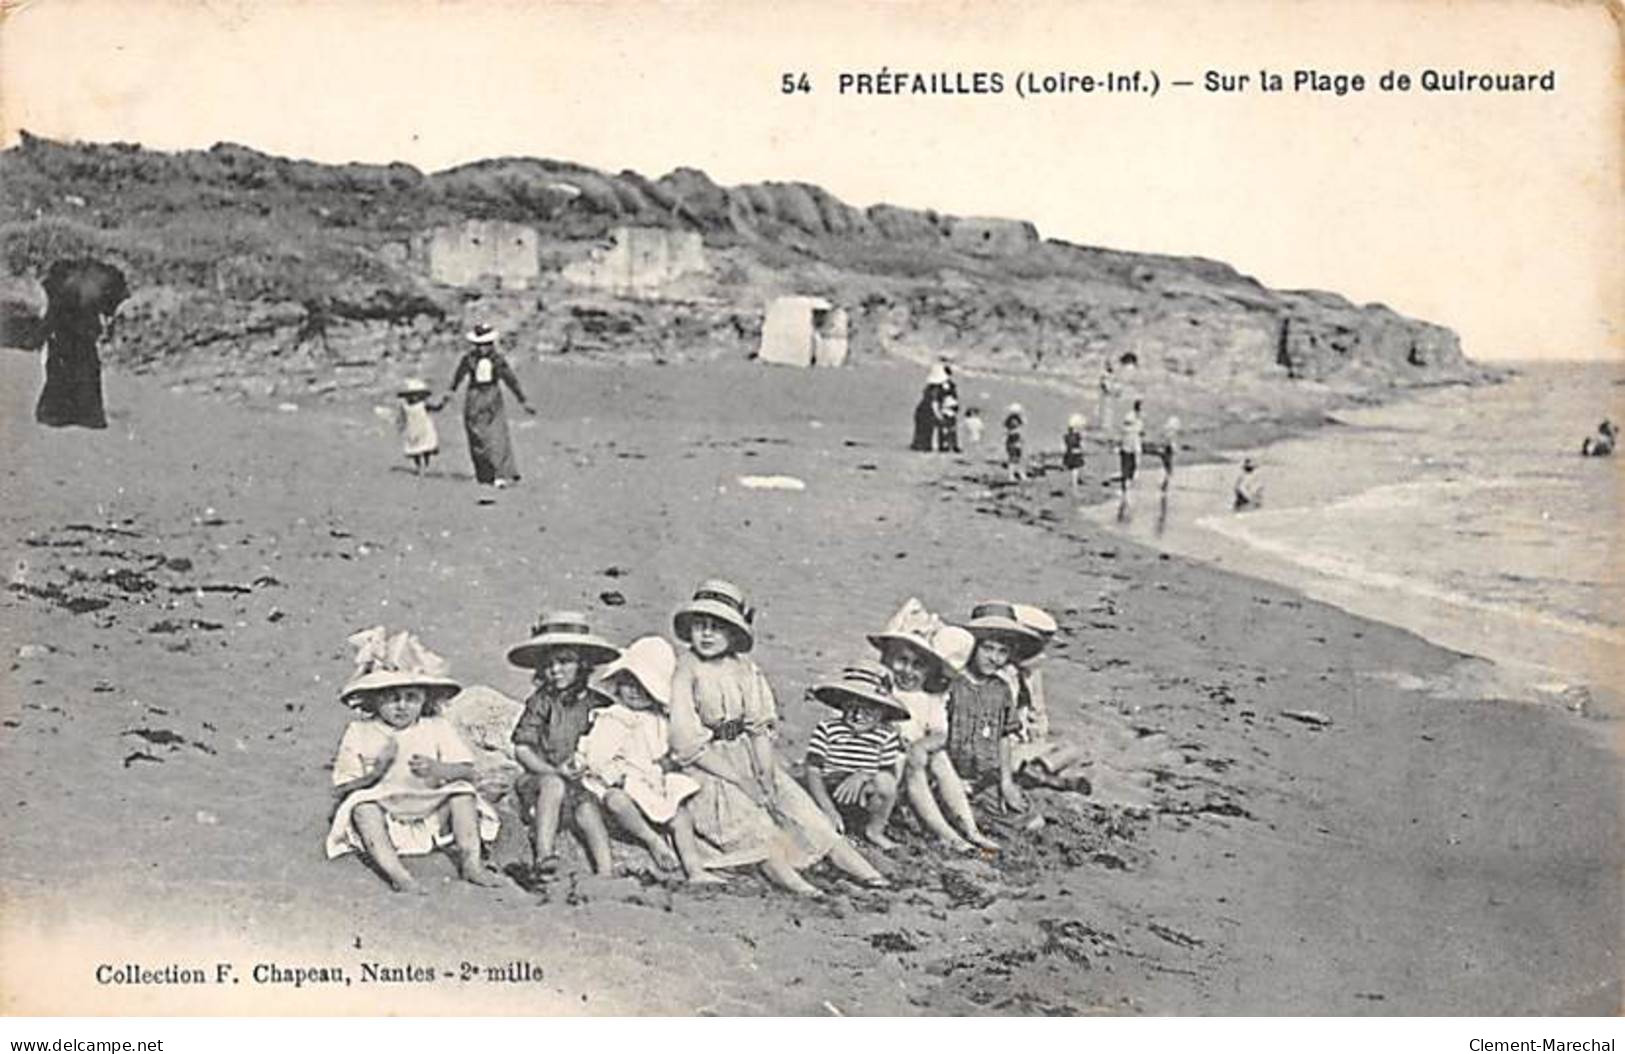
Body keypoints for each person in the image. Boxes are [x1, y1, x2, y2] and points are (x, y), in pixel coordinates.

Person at [666, 579, 889, 895]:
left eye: (717, 628)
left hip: (746, 753)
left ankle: (869, 876)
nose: (706, 634)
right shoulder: (686, 668)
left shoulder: (745, 668)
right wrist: (741, 781)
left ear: (734, 633)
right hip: (708, 764)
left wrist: (766, 774)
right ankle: (802, 888)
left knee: (800, 811)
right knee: (754, 828)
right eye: (700, 626)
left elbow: (759, 727)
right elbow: (685, 741)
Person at [325, 627, 502, 893]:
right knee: (363, 807)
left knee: (463, 794)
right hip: (386, 810)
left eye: (412, 698)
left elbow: (467, 770)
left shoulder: (435, 726)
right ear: (374, 701)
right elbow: (341, 789)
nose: (402, 706)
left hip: (430, 808)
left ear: (425, 700)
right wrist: (376, 774)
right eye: (391, 698)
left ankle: (471, 863)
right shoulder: (360, 731)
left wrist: (438, 768)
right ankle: (399, 875)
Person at [574, 636, 721, 883]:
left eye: (642, 686)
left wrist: (666, 762)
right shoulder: (614, 717)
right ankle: (651, 840)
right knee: (617, 801)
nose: (633, 691)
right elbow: (597, 758)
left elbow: (671, 746)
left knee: (680, 812)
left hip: (650, 780)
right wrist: (616, 776)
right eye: (627, 683)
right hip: (617, 780)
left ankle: (694, 868)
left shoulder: (658, 720)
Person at [868, 599, 998, 852]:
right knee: (913, 763)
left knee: (938, 756)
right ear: (887, 658)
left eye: (918, 666)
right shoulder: (880, 691)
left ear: (929, 672)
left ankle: (970, 828)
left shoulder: (928, 699)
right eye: (901, 661)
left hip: (916, 762)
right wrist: (909, 749)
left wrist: (921, 746)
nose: (908, 671)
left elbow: (940, 734)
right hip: (882, 763)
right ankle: (948, 834)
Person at [507, 611, 618, 876]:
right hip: (541, 778)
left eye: (565, 662)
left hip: (583, 782)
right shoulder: (542, 701)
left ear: (583, 664)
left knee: (587, 809)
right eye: (548, 664)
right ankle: (544, 853)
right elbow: (522, 747)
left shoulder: (600, 705)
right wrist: (551, 770)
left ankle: (606, 872)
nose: (555, 670)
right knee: (554, 785)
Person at [946, 602, 1042, 818]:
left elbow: (1004, 736)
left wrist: (1006, 782)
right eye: (987, 648)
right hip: (950, 774)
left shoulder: (1002, 690)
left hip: (985, 777)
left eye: (1002, 652)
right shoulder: (953, 683)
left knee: (1030, 820)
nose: (994, 658)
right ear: (972, 647)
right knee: (960, 814)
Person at [803, 662, 909, 850]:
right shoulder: (828, 728)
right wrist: (828, 807)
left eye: (868, 709)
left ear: (883, 711)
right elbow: (813, 770)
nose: (858, 716)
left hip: (863, 792)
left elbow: (888, 775)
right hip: (829, 789)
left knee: (885, 783)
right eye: (851, 707)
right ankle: (834, 825)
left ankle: (873, 830)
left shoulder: (886, 736)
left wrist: (862, 775)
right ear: (842, 704)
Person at [35, 258, 130, 430]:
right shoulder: (97, 280)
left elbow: (51, 313)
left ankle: (58, 413)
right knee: (85, 371)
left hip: (65, 334)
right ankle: (85, 415)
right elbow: (108, 308)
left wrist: (44, 333)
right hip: (83, 334)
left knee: (61, 371)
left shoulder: (62, 280)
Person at [1007, 603, 1092, 795]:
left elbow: (1038, 711)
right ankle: (1046, 778)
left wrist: (1037, 743)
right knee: (1070, 752)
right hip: (1003, 749)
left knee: (1073, 749)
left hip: (1022, 746)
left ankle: (1037, 771)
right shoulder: (1003, 673)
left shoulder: (1031, 670)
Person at [447, 323, 536, 488]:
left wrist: (522, 400)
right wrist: (450, 393)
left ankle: (501, 473)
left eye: (486, 345)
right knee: (476, 435)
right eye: (480, 345)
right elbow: (458, 376)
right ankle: (484, 473)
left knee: (496, 436)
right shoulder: (469, 359)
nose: (483, 348)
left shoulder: (498, 360)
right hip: (474, 396)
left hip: (492, 396)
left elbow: (510, 379)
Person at [394, 379, 442, 475]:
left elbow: (436, 408)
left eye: (417, 395)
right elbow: (401, 417)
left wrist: (443, 402)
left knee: (426, 448)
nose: (414, 397)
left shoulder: (424, 404)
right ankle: (419, 466)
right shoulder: (405, 406)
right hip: (412, 430)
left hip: (425, 429)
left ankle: (426, 465)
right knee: (415, 450)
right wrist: (400, 425)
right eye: (412, 395)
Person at [911, 363, 948, 452]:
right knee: (927, 431)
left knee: (922, 431)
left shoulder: (928, 389)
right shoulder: (935, 390)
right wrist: (939, 416)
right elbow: (934, 404)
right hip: (927, 413)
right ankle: (924, 446)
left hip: (921, 411)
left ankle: (919, 445)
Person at [1118, 399, 1145, 495]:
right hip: (1127, 444)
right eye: (1141, 406)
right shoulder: (1130, 416)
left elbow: (1140, 430)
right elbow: (1126, 428)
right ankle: (1125, 485)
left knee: (1134, 464)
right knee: (1126, 464)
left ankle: (1129, 482)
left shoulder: (1140, 418)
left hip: (1136, 445)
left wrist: (1140, 433)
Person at [1062, 413, 1087, 492]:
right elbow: (1082, 445)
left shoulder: (1066, 436)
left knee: (1072, 470)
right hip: (1076, 454)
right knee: (1076, 470)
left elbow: (1065, 446)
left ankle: (1074, 483)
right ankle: (1075, 484)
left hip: (1069, 454)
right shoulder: (1078, 436)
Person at [1155, 416, 1181, 492]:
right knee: (1169, 471)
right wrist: (1175, 450)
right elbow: (1171, 444)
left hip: (1164, 453)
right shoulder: (1171, 434)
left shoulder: (1167, 432)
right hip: (1167, 453)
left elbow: (1163, 442)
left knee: (1167, 469)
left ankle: (1164, 484)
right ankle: (1164, 485)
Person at [1004, 403, 1027, 482]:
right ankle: (1012, 475)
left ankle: (1019, 474)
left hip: (1014, 443)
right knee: (1014, 459)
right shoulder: (1013, 421)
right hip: (1014, 443)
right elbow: (1013, 432)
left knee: (1018, 459)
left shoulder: (1011, 420)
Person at [936, 388, 962, 454]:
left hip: (947, 417)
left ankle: (945, 445)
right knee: (951, 432)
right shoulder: (951, 400)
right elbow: (956, 408)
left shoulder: (943, 400)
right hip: (949, 417)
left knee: (946, 432)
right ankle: (952, 445)